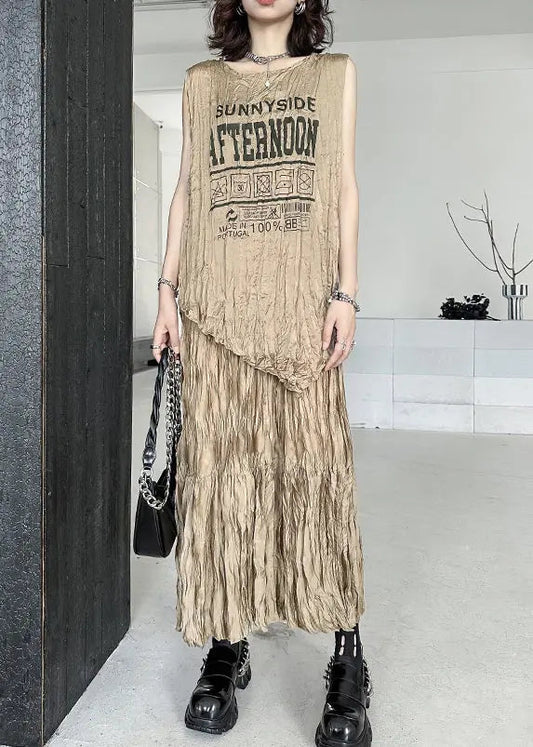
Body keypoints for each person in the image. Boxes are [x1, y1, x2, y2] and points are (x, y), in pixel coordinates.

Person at [151, 1, 373, 744]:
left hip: (304, 314)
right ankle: (226, 642)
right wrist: (167, 292)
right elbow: (189, 190)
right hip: (216, 313)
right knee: (223, 482)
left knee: (317, 477)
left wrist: (346, 292)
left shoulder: (334, 75)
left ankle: (347, 655)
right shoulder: (203, 82)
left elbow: (343, 187)